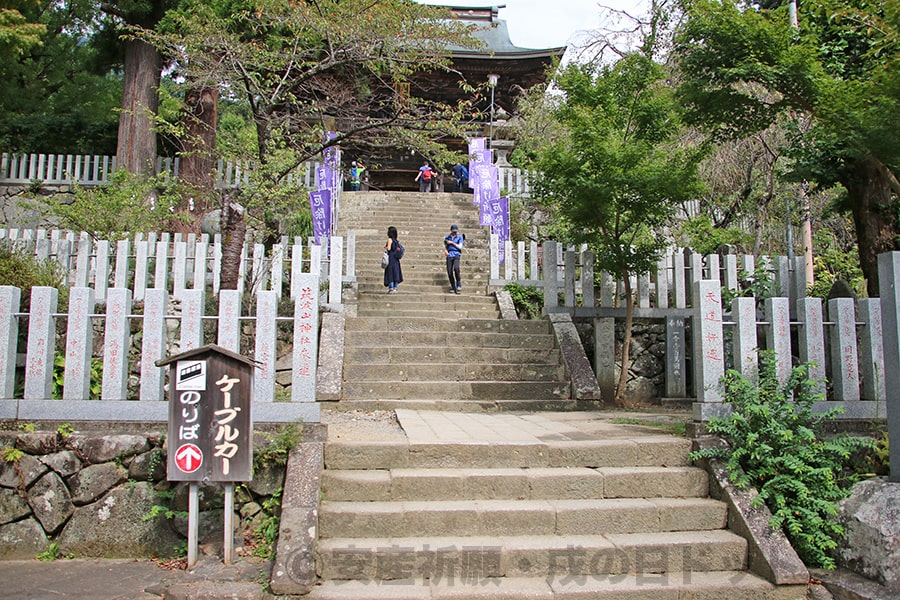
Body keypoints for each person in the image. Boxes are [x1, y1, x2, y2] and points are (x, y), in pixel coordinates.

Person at [444, 223, 464, 294]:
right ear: (451, 231)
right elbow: (445, 245)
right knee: (449, 271)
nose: (455, 232)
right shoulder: (447, 237)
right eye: (453, 231)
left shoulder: (460, 237)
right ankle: (453, 286)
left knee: (456, 268)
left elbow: (460, 246)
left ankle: (458, 283)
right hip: (449, 255)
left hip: (456, 254)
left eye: (456, 231)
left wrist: (452, 243)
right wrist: (446, 250)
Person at [384, 226, 403, 293]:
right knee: (396, 272)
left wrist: (386, 247)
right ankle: (395, 287)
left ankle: (391, 288)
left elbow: (389, 248)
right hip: (396, 259)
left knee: (390, 273)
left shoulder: (390, 240)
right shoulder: (396, 241)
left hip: (391, 258)